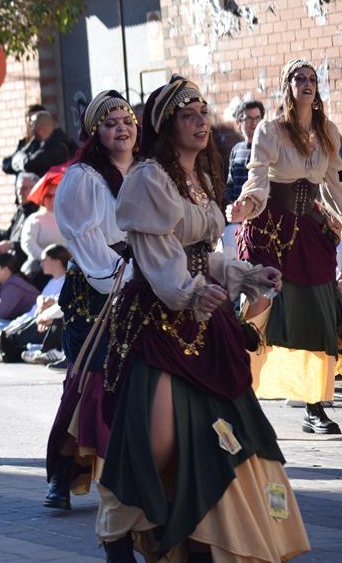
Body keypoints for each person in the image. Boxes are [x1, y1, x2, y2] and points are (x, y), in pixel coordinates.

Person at [98, 78, 308, 561]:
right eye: (187, 115)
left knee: (220, 434)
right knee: (154, 443)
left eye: (203, 112)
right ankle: (117, 532)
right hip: (158, 320)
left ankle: (205, 538)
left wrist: (245, 275)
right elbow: (160, 259)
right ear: (166, 126)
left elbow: (202, 253)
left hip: (204, 318)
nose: (199, 121)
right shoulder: (149, 178)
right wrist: (192, 293)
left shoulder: (201, 178)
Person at [229, 59, 342, 435]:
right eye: (299, 78)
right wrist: (247, 205)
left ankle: (314, 407)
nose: (307, 83)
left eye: (312, 78)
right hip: (271, 229)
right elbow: (258, 179)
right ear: (287, 85)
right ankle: (236, 397)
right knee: (259, 314)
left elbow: (333, 185)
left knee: (316, 318)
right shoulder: (270, 129)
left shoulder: (327, 131)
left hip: (309, 231)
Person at [43, 90, 139, 513]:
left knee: (141, 382)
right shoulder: (83, 177)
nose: (121, 129)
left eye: (127, 121)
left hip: (145, 281)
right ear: (95, 132)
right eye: (110, 123)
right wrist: (121, 278)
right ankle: (63, 472)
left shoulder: (149, 170)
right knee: (90, 384)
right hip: (98, 287)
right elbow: (85, 240)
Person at [0, 244, 70, 363]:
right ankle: (3, 344)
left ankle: (5, 345)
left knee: (5, 330)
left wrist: (47, 305)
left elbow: (62, 304)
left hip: (49, 323)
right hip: (40, 320)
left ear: (56, 261)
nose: (41, 264)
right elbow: (34, 311)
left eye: (44, 260)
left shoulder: (67, 280)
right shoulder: (51, 282)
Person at [222, 99, 265, 258]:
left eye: (257, 118)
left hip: (260, 220)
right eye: (249, 119)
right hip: (237, 221)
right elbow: (230, 184)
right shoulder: (236, 150)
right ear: (239, 123)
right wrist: (232, 205)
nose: (254, 123)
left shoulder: (267, 150)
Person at [5, 109, 73, 178]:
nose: (30, 128)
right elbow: (6, 165)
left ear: (40, 127)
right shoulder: (38, 142)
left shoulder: (57, 146)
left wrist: (17, 158)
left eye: (32, 124)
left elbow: (29, 164)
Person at [18, 185, 66, 281]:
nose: (52, 199)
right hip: (40, 269)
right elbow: (27, 243)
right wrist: (45, 258)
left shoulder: (68, 218)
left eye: (55, 195)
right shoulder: (35, 219)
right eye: (48, 196)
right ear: (43, 198)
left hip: (64, 267)